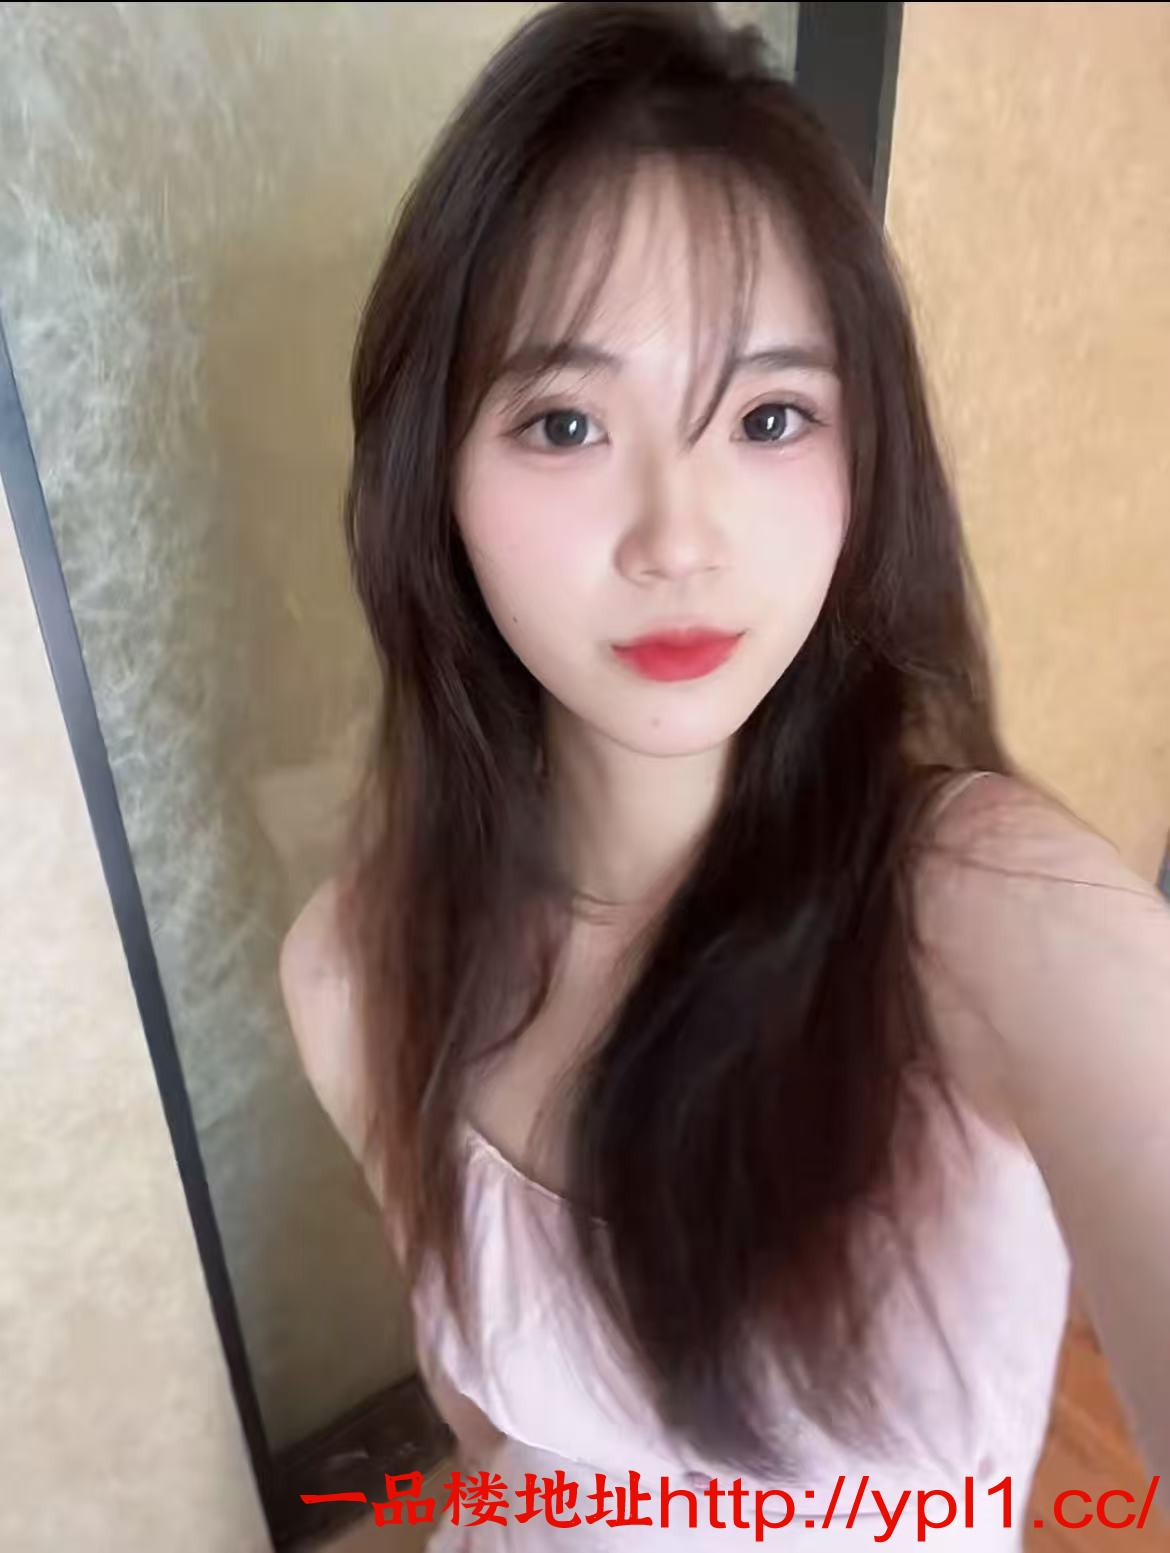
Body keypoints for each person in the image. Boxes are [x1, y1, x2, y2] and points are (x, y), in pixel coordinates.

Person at [279, 4, 1169, 1545]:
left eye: (768, 415)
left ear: (864, 458)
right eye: (564, 421)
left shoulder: (986, 914)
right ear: (434, 480)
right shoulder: (352, 971)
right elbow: (499, 1449)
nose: (677, 538)